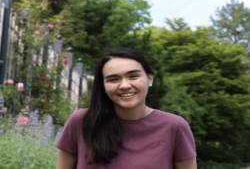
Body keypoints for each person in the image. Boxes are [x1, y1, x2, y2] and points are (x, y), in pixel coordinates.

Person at [55, 47, 197, 169]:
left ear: (150, 79)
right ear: (103, 85)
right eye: (113, 79)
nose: (124, 85)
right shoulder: (82, 121)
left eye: (133, 76)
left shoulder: (175, 127)